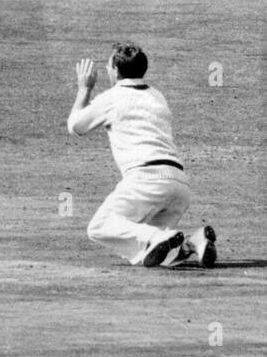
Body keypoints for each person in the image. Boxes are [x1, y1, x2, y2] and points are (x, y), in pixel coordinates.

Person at [67, 42, 216, 268]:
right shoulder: (157, 96)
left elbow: (76, 126)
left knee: (99, 227)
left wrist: (84, 88)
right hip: (178, 185)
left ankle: (159, 237)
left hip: (146, 180)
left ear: (115, 70)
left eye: (108, 66)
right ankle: (193, 242)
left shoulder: (112, 97)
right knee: (159, 257)